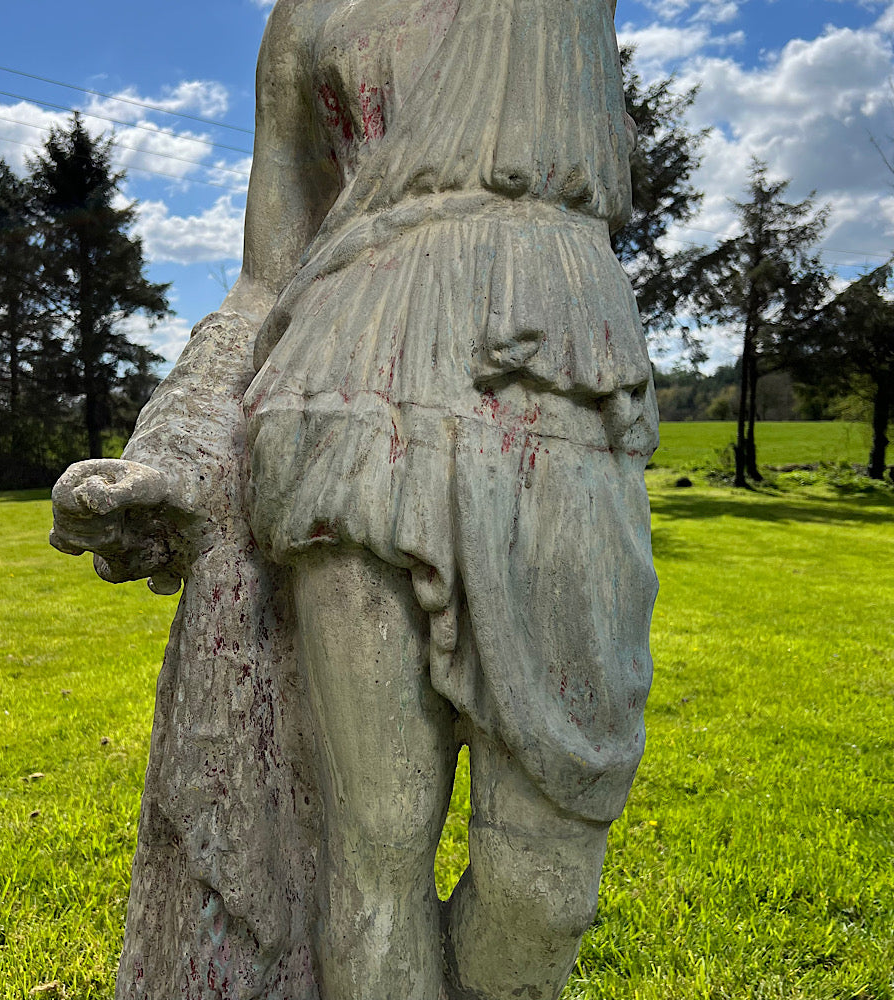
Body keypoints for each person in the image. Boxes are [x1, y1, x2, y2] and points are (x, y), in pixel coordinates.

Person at [51, 1, 659, 998]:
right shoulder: (308, 16)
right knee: (371, 843)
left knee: (546, 879)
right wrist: (173, 447)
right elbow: (264, 280)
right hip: (345, 374)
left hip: (560, 366)